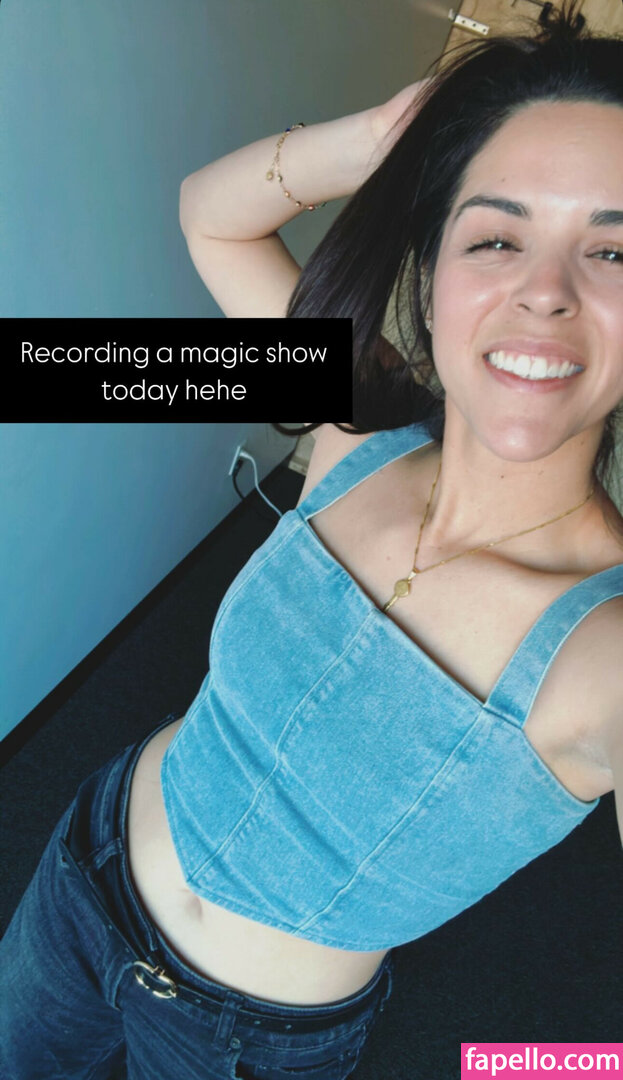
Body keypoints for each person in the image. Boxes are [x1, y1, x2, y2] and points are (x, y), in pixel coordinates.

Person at [2, 5, 623, 1078]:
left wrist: (511, 1066)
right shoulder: (356, 432)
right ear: (431, 273)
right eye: (495, 236)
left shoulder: (604, 654)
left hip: (241, 1045)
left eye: (613, 250)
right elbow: (211, 218)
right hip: (83, 866)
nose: (543, 292)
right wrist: (381, 140)